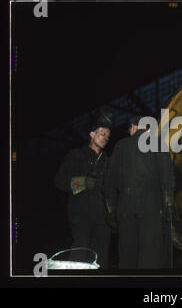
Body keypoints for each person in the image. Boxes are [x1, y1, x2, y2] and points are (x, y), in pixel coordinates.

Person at [103, 115, 175, 269]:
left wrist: (112, 212)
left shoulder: (120, 146)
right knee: (150, 255)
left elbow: (108, 183)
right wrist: (167, 207)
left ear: (133, 127)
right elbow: (167, 179)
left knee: (127, 255)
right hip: (151, 207)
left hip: (125, 208)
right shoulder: (157, 143)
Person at [54, 107, 113, 268]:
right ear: (92, 134)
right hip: (82, 217)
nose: (106, 138)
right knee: (80, 257)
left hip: (103, 219)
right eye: (102, 134)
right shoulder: (76, 155)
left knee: (101, 260)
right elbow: (59, 181)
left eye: (108, 136)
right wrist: (83, 182)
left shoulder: (107, 161)